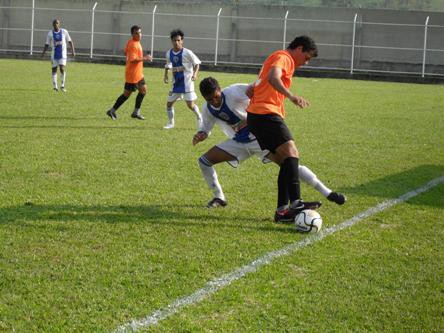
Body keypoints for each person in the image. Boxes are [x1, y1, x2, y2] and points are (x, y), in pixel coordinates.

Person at [194, 77, 346, 210]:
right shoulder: (207, 109)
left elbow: (257, 87)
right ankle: (219, 197)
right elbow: (206, 128)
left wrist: (253, 96)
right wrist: (201, 134)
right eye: (209, 99)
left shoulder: (233, 92)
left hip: (260, 139)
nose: (214, 101)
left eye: (215, 97)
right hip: (239, 143)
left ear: (220, 90)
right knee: (204, 161)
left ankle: (328, 193)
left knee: (289, 165)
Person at [247, 35, 338, 222]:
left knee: (285, 161)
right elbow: (273, 77)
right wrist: (291, 96)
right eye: (307, 57)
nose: (306, 62)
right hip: (265, 114)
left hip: (257, 116)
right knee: (291, 152)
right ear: (299, 48)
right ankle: (296, 203)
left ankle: (282, 212)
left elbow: (260, 83)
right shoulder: (285, 58)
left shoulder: (277, 57)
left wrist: (255, 87)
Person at [106, 25, 152, 120]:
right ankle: (112, 110)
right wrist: (145, 58)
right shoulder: (133, 44)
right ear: (132, 34)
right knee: (126, 94)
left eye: (140, 32)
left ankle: (136, 112)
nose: (139, 34)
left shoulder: (134, 42)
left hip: (138, 74)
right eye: (136, 33)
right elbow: (132, 59)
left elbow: (125, 52)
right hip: (132, 74)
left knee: (143, 90)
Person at [163, 29, 202, 129]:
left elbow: (197, 63)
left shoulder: (187, 53)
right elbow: (168, 65)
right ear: (171, 41)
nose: (176, 42)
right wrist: (166, 75)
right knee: (169, 104)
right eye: (174, 40)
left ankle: (199, 117)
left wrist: (195, 74)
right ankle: (171, 123)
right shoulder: (169, 53)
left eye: (178, 40)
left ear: (182, 41)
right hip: (175, 83)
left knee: (190, 105)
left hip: (187, 83)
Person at [41, 19, 75, 92]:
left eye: (57, 23)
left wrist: (73, 51)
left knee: (62, 68)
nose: (55, 24)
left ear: (59, 24)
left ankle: (62, 86)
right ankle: (55, 87)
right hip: (54, 54)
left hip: (62, 54)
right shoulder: (50, 33)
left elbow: (70, 41)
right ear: (52, 25)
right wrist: (43, 53)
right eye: (54, 23)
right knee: (54, 69)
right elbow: (47, 44)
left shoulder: (64, 31)